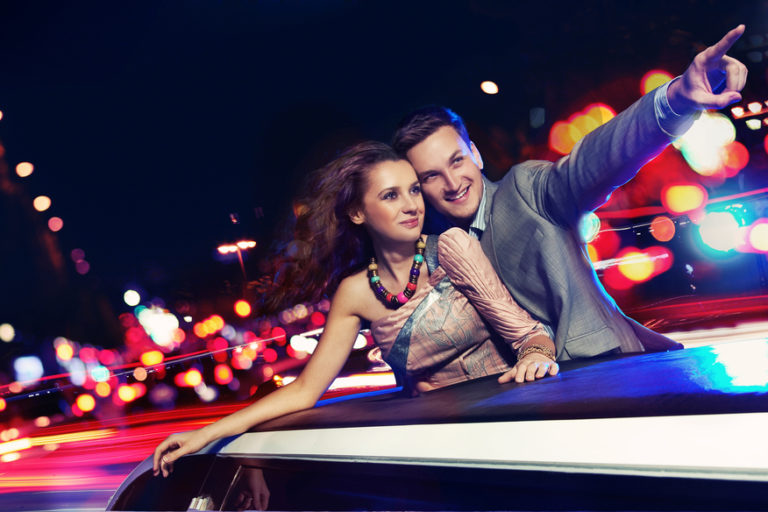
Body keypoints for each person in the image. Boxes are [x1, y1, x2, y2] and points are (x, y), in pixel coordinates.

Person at [153, 141, 558, 479]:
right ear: (357, 212)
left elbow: (529, 334)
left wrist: (537, 352)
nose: (411, 205)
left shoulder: (453, 248)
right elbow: (305, 390)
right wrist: (206, 434)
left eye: (414, 190)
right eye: (390, 195)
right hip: (438, 454)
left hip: (506, 432)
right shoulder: (355, 292)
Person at [392, 25, 748, 361]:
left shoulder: (524, 190)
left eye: (457, 161)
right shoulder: (434, 250)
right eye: (431, 176)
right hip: (520, 401)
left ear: (476, 154)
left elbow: (598, 158)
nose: (452, 183)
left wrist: (677, 100)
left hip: (598, 372)